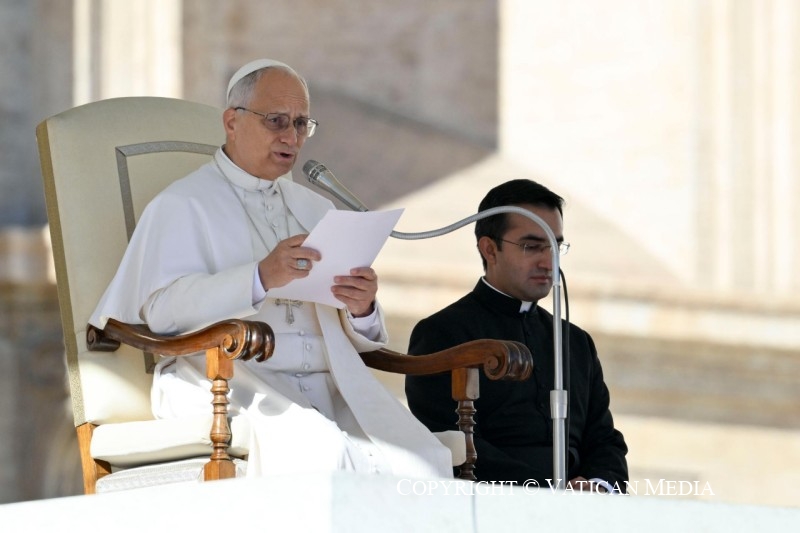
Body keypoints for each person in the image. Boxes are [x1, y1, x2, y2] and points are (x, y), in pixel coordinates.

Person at [89, 58, 452, 479]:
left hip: (329, 387)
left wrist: (362, 308)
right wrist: (260, 277)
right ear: (232, 121)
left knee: (421, 461)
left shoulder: (317, 208)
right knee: (325, 455)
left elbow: (359, 335)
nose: (291, 136)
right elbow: (160, 311)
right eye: (277, 120)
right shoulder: (181, 204)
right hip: (228, 383)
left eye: (301, 124)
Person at [405, 179, 628, 492]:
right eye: (532, 246)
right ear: (489, 249)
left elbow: (605, 440)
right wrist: (545, 490)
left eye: (555, 246)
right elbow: (449, 440)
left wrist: (599, 484)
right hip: (494, 503)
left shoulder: (576, 342)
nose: (549, 260)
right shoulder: (443, 332)